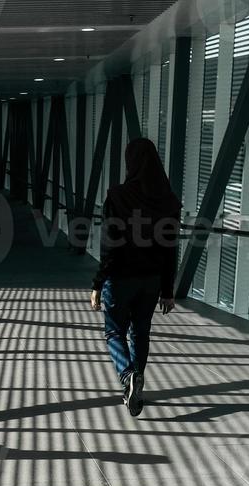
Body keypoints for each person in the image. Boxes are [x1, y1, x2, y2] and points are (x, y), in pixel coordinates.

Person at [90, 138, 181, 417]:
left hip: (120, 278)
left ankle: (129, 375)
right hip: (151, 280)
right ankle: (136, 384)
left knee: (114, 331)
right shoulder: (168, 200)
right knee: (141, 331)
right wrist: (167, 289)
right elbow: (170, 249)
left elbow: (109, 246)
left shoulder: (117, 197)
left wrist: (97, 283)